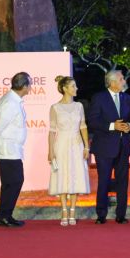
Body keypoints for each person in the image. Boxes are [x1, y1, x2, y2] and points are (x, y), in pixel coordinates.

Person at [87, 70, 130, 224]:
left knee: (123, 181)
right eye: (122, 79)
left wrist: (129, 125)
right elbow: (93, 121)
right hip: (104, 148)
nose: (124, 81)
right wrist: (112, 126)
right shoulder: (99, 98)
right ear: (112, 82)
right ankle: (101, 214)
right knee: (104, 180)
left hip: (123, 146)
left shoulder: (127, 98)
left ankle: (121, 215)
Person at [0, 72, 32, 227]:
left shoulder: (13, 100)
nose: (30, 87)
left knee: (9, 183)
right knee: (15, 181)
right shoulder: (11, 102)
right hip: (7, 148)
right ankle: (4, 215)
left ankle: (4, 215)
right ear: (24, 86)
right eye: (29, 84)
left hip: (10, 148)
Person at [47, 75, 90, 226]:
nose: (76, 88)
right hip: (62, 144)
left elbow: (83, 126)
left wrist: (86, 146)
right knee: (63, 176)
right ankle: (64, 210)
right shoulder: (55, 108)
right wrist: (50, 151)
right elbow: (52, 132)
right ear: (65, 88)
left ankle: (73, 210)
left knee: (75, 175)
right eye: (73, 86)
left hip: (76, 144)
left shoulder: (79, 106)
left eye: (75, 86)